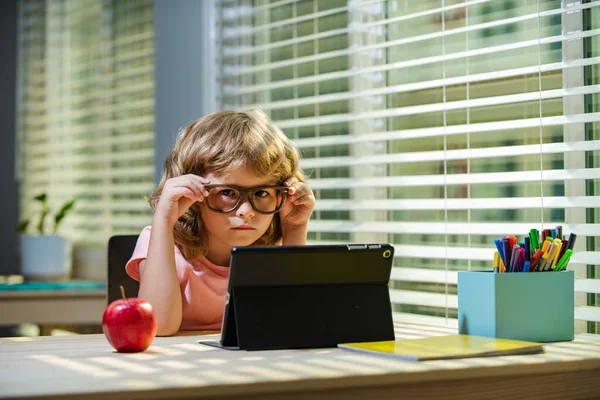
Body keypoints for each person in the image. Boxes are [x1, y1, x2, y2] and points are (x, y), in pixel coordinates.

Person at [125, 110, 315, 336]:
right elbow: (160, 325)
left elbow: (292, 322)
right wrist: (164, 221)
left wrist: (295, 228)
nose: (246, 212)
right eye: (227, 192)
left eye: (262, 193)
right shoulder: (162, 241)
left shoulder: (268, 251)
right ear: (192, 193)